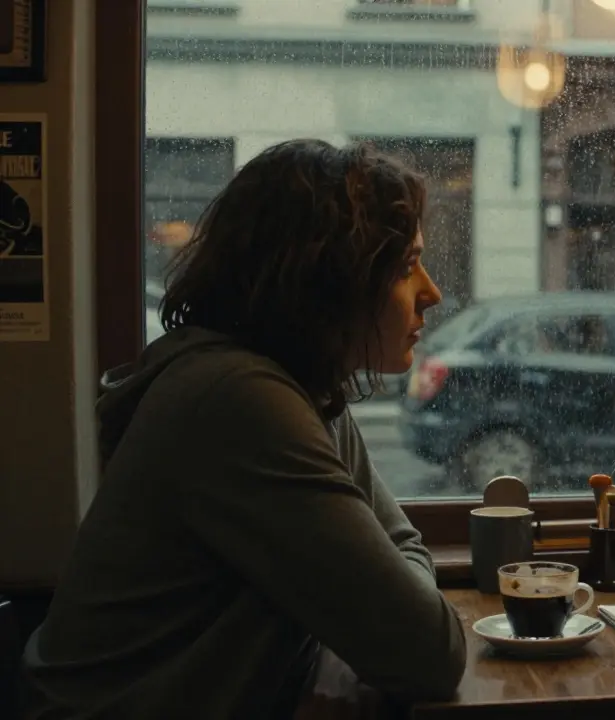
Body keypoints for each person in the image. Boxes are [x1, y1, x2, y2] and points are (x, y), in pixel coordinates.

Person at [22, 139, 468, 718]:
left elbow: (402, 550)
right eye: (406, 266)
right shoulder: (237, 400)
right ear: (328, 277)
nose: (431, 293)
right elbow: (428, 650)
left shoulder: (304, 386)